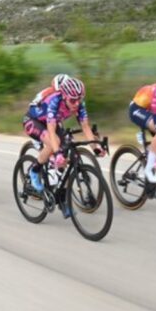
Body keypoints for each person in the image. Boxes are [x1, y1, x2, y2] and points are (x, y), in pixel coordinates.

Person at [22, 77, 104, 216]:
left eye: (79, 99)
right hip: (33, 121)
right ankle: (34, 171)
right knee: (54, 144)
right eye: (73, 100)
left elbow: (85, 127)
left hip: (52, 122)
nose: (76, 103)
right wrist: (57, 152)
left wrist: (96, 147)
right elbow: (52, 131)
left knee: (66, 158)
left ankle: (62, 199)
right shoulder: (54, 102)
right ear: (64, 96)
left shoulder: (78, 104)